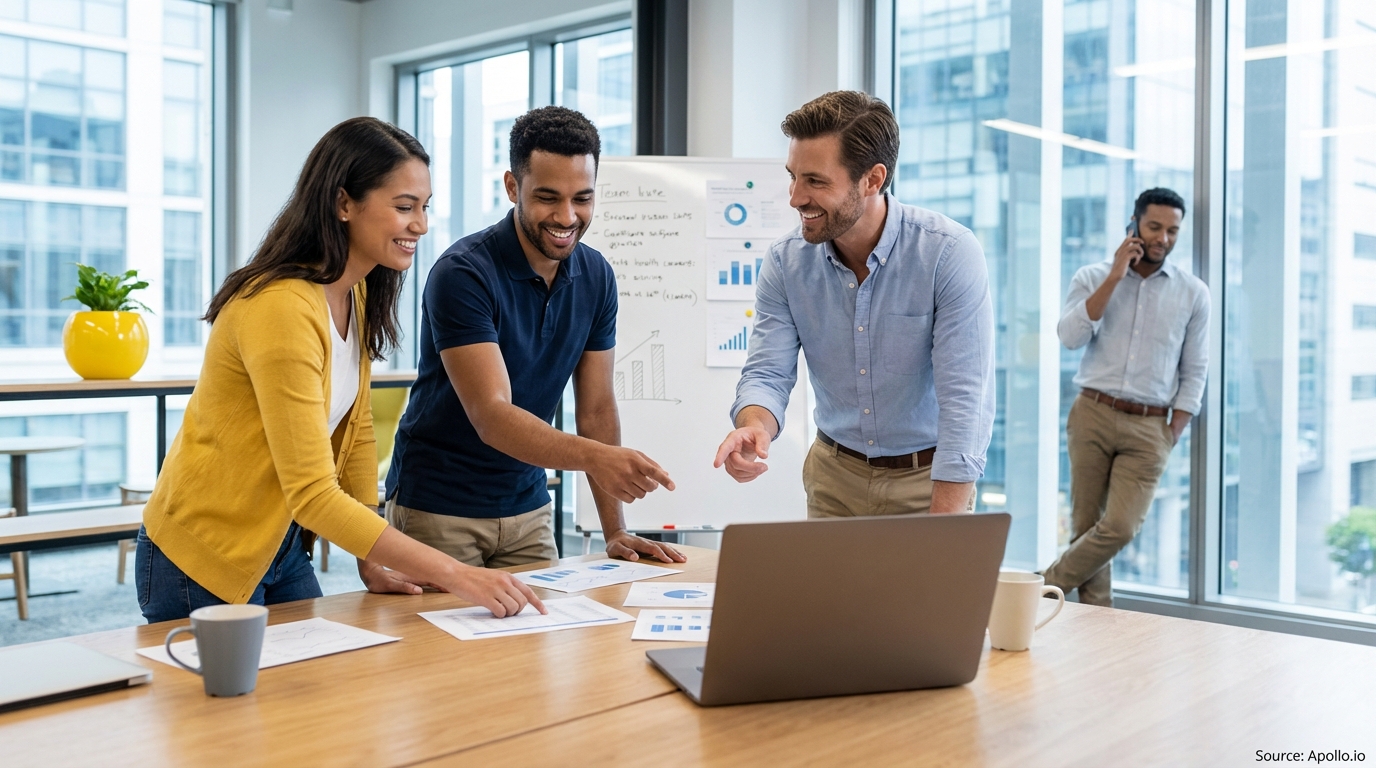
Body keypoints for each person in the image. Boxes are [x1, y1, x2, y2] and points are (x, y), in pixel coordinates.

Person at [136, 117, 545, 623]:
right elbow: (314, 494)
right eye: (404, 207)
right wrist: (457, 574)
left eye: (424, 207)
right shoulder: (282, 307)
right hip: (203, 551)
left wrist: (370, 557)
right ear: (343, 203)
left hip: (280, 544)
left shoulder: (356, 292)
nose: (420, 225)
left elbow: (357, 433)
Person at [377, 106, 684, 575]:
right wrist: (599, 459)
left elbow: (596, 409)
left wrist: (615, 531)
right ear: (512, 187)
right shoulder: (462, 274)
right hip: (438, 507)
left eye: (582, 198)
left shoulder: (596, 276)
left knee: (547, 623)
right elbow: (492, 416)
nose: (567, 216)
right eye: (548, 197)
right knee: (444, 628)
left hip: (528, 506)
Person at [713, 91, 995, 517]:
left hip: (928, 482)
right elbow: (768, 372)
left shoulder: (947, 253)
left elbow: (966, 404)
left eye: (815, 181)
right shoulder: (786, 262)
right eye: (793, 177)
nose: (795, 197)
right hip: (833, 479)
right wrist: (754, 427)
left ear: (872, 179)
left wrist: (944, 525)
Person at [1041, 187, 1209, 606]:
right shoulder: (1092, 276)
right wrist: (1115, 276)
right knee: (1085, 527)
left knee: (1119, 527)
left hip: (1150, 426)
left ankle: (1039, 588)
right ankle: (1095, 627)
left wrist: (1172, 430)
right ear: (1133, 224)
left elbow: (1195, 369)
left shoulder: (1193, 293)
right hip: (1092, 413)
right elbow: (1070, 337)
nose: (1163, 238)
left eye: (1172, 231)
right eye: (1154, 227)